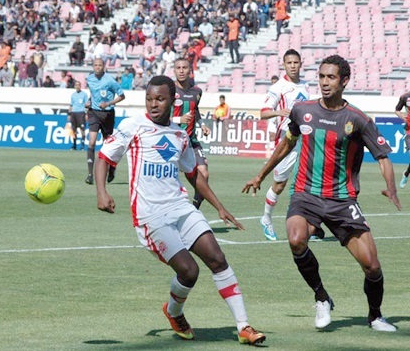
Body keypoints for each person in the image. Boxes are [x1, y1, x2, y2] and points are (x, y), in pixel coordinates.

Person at [94, 75, 266, 346]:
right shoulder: (134, 127)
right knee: (189, 271)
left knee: (217, 258)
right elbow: (104, 157)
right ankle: (173, 312)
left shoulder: (179, 134)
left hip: (180, 207)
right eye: (149, 99)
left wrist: (219, 207)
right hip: (150, 217)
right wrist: (102, 192)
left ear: (173, 101)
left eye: (160, 99)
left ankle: (244, 326)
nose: (153, 104)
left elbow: (192, 174)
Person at [243, 54, 401, 332]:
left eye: (331, 77)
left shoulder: (358, 119)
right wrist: (260, 175)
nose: (325, 83)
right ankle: (321, 297)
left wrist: (390, 187)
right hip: (306, 195)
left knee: (372, 266)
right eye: (321, 77)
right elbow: (287, 143)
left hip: (342, 200)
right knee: (296, 240)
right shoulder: (302, 110)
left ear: (344, 81)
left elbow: (383, 157)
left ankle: (375, 316)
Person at [258, 49, 311, 241]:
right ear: (284, 64)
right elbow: (263, 112)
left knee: (307, 184)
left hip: (305, 141)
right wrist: (279, 113)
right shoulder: (278, 87)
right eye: (289, 63)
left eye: (296, 62)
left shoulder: (306, 86)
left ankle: (309, 226)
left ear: (300, 64)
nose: (293, 66)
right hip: (286, 141)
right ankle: (266, 219)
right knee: (279, 185)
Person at [172, 58, 211, 209]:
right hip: (171, 141)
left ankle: (194, 209)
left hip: (191, 141)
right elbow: (158, 116)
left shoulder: (197, 92)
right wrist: (178, 119)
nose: (181, 71)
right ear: (174, 70)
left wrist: (202, 125)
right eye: (178, 68)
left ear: (190, 71)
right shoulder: (168, 90)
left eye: (184, 68)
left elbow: (195, 110)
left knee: (204, 174)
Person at [85, 57, 125, 185]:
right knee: (91, 143)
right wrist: (89, 101)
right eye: (95, 65)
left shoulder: (110, 80)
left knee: (107, 146)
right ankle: (90, 175)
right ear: (93, 66)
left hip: (107, 114)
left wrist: (109, 103)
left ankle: (112, 168)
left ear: (104, 67)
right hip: (93, 113)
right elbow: (92, 93)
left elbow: (122, 95)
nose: (97, 67)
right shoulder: (90, 79)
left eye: (100, 65)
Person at [68, 81, 88, 151]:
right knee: (74, 130)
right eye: (76, 85)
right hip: (74, 113)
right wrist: (69, 114)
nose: (77, 86)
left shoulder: (84, 94)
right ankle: (74, 145)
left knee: (82, 130)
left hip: (81, 113)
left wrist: (86, 114)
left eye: (78, 85)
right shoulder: (73, 95)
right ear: (74, 86)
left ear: (80, 86)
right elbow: (71, 105)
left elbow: (87, 105)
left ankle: (82, 146)